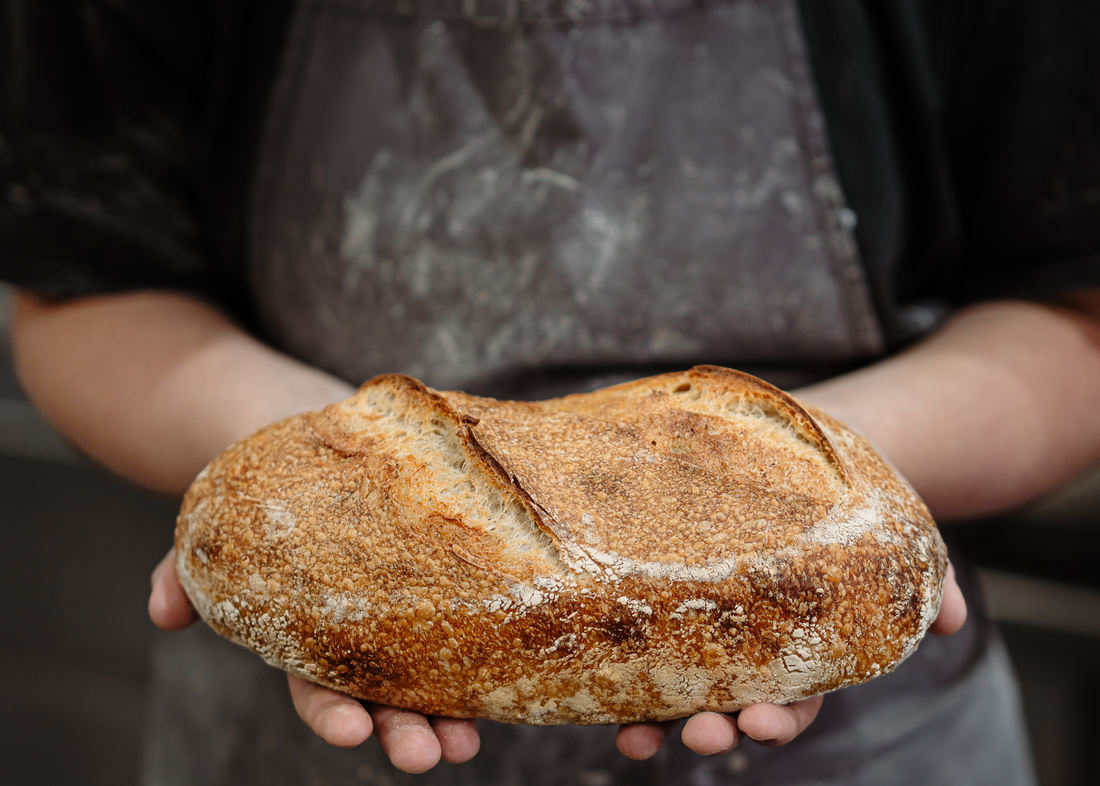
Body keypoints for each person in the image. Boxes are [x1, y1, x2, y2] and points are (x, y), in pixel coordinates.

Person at [4, 1, 1100, 784]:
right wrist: (301, 486)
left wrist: (842, 515)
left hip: (859, 738)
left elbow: (1072, 317)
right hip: (312, 708)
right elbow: (86, 282)